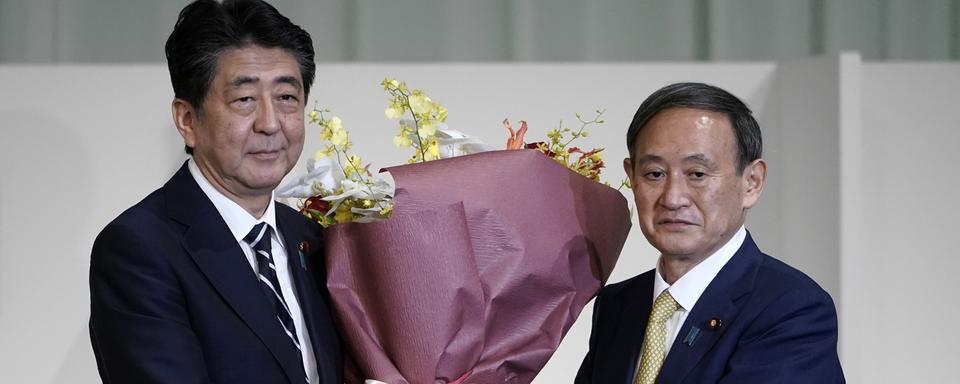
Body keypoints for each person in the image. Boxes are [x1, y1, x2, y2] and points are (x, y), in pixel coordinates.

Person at [88, 1, 342, 382]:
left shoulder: (314, 238)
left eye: (286, 97)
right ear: (187, 120)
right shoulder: (139, 250)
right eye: (244, 100)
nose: (270, 123)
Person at [575, 82, 844, 383]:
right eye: (654, 174)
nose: (673, 198)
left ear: (752, 182)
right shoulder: (618, 304)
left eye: (697, 174)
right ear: (632, 178)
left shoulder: (791, 308)